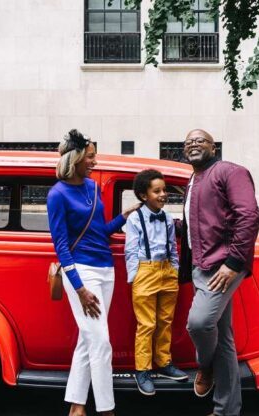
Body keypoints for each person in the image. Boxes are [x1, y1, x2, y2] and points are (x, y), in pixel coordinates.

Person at [47, 129, 141, 416]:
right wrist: (79, 288)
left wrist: (123, 217)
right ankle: (106, 409)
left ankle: (77, 407)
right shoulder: (57, 194)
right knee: (101, 342)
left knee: (88, 340)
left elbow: (99, 231)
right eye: (90, 157)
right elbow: (61, 246)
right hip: (82, 271)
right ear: (75, 159)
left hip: (106, 269)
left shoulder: (92, 187)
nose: (95, 161)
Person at [180, 129, 259, 416]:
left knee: (199, 324)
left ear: (214, 147)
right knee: (224, 339)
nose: (193, 144)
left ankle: (204, 366)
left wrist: (234, 263)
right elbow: (200, 221)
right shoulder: (193, 180)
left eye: (200, 140)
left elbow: (249, 215)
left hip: (222, 266)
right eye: (188, 142)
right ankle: (226, 410)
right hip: (200, 266)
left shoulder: (230, 171)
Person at [124, 169, 189, 396]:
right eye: (157, 191)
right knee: (147, 324)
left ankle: (164, 363)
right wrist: (135, 277)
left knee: (165, 320)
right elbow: (131, 249)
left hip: (167, 271)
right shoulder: (135, 218)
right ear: (144, 196)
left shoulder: (168, 218)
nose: (163, 194)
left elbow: (172, 245)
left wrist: (175, 269)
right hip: (146, 271)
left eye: (164, 190)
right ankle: (143, 369)